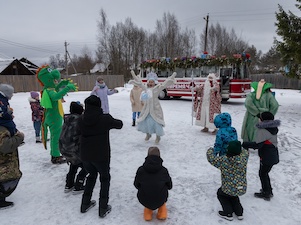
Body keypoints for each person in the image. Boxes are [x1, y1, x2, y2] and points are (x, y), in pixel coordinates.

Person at [79, 95, 123, 218]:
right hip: (101, 156)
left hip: (86, 155)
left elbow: (78, 131)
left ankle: (85, 204)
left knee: (91, 176)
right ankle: (103, 207)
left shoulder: (81, 119)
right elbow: (120, 124)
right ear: (99, 106)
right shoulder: (105, 119)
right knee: (104, 179)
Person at [36, 65, 77, 164]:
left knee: (57, 136)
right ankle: (55, 156)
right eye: (54, 80)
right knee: (56, 137)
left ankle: (56, 154)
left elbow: (56, 90)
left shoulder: (49, 89)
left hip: (55, 116)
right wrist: (67, 88)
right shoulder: (49, 91)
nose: (56, 82)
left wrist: (62, 84)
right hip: (54, 118)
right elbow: (56, 96)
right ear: (48, 80)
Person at [129, 70, 176, 143]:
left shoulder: (157, 88)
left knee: (156, 122)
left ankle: (158, 136)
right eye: (149, 82)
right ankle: (148, 134)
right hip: (147, 109)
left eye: (152, 82)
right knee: (146, 121)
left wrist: (171, 77)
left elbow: (164, 84)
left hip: (155, 108)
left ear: (154, 83)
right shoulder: (146, 89)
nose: (150, 83)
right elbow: (140, 84)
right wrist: (134, 77)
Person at [242, 111, 280, 201]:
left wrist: (245, 144)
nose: (259, 119)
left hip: (267, 157)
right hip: (272, 155)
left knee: (263, 174)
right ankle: (268, 190)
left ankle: (266, 193)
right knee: (265, 173)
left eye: (260, 118)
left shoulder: (263, 131)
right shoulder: (272, 128)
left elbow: (257, 145)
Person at [207, 140, 249, 221]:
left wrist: (210, 150)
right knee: (234, 196)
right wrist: (238, 146)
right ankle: (239, 213)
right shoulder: (244, 157)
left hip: (228, 188)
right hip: (241, 187)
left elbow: (211, 159)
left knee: (221, 194)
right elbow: (244, 150)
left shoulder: (224, 160)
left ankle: (228, 213)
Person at [134, 147, 172, 221]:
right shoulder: (164, 170)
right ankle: (162, 213)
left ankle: (148, 214)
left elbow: (136, 184)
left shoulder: (141, 170)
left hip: (144, 198)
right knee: (161, 198)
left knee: (148, 197)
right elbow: (170, 185)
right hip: (160, 198)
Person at [59, 101, 87, 194]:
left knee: (74, 163)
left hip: (64, 149)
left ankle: (69, 184)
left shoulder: (67, 119)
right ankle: (79, 184)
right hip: (74, 149)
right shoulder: (80, 120)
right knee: (88, 166)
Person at [0, 125, 24, 209]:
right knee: (9, 179)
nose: (13, 116)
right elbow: (6, 146)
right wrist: (19, 137)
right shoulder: (2, 128)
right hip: (3, 164)